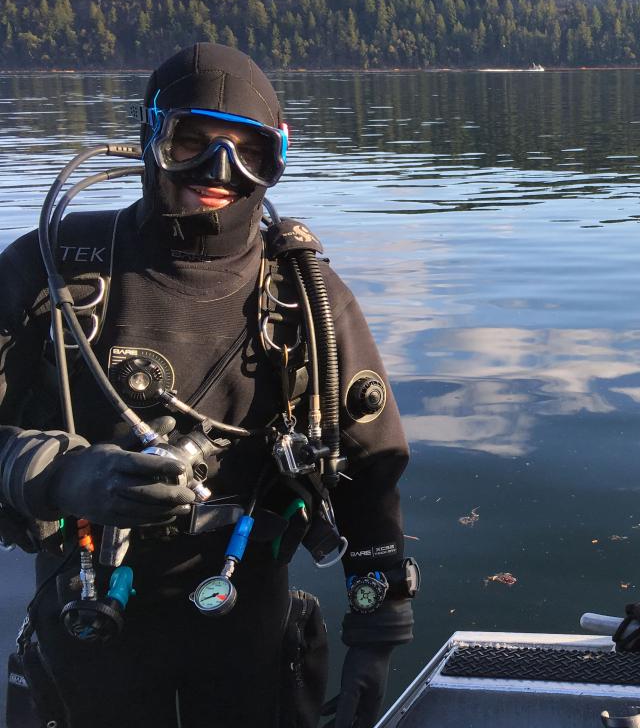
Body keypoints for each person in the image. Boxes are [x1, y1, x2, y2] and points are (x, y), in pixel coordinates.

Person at [0, 42, 416, 728]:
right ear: (148, 138)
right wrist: (60, 475)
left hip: (248, 642)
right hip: (86, 632)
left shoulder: (304, 297)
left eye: (250, 150)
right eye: (189, 141)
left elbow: (371, 480)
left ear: (276, 159)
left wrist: (377, 637)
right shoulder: (54, 270)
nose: (219, 170)